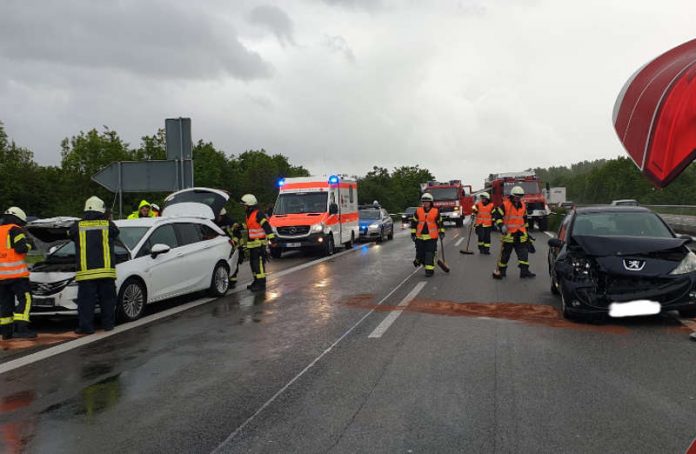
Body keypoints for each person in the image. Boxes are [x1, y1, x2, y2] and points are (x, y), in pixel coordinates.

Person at [69, 196, 120, 334]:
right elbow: (116, 233)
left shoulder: (77, 226)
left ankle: (86, 327)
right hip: (106, 271)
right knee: (108, 300)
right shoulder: (107, 224)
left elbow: (70, 234)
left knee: (86, 302)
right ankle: (108, 325)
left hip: (86, 273)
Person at [0, 207, 37, 339]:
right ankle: (22, 329)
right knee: (25, 299)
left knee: (5, 303)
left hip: (2, 277)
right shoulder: (15, 229)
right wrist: (29, 245)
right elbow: (21, 248)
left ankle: (6, 332)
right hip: (17, 275)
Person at [492, 186, 536, 279]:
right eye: (516, 196)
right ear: (512, 196)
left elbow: (524, 219)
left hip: (520, 234)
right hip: (509, 235)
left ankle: (524, 272)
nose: (518, 198)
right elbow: (497, 216)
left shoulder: (523, 205)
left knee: (524, 254)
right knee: (505, 255)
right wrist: (501, 226)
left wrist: (527, 232)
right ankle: (501, 271)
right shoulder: (505, 205)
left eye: (520, 196)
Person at [240, 194, 275, 292]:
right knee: (253, 264)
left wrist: (272, 238)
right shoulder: (249, 214)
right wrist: (240, 226)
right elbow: (251, 226)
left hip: (259, 244)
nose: (244, 207)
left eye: (244, 205)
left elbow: (266, 226)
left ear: (249, 205)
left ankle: (261, 283)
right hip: (252, 244)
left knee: (259, 264)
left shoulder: (258, 214)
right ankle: (256, 281)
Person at [410, 193, 445, 277]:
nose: (425, 203)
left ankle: (429, 270)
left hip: (431, 237)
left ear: (431, 202)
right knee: (420, 254)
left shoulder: (436, 211)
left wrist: (441, 232)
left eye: (427, 201)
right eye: (424, 201)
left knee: (429, 254)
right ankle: (418, 260)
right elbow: (414, 223)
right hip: (420, 237)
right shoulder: (418, 211)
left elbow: (440, 223)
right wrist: (413, 233)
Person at [215, 208, 244, 288]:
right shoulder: (217, 222)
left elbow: (237, 234)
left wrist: (233, 243)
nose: (217, 218)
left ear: (222, 215)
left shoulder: (230, 222)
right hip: (226, 245)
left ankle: (232, 281)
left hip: (236, 245)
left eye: (218, 216)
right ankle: (229, 279)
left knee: (234, 262)